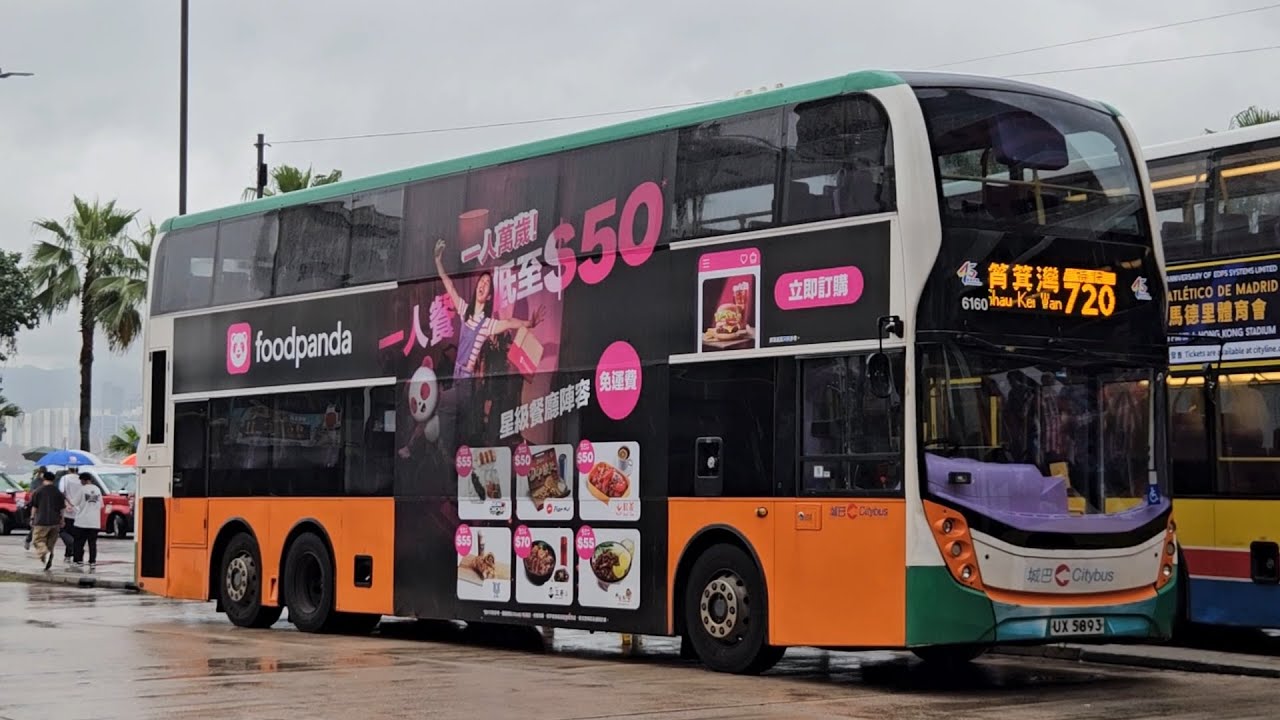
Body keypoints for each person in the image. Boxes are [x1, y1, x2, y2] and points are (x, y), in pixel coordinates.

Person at [27, 471, 64, 571]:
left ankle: (45, 554)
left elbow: (34, 506)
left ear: (44, 479)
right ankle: (47, 560)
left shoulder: (38, 491)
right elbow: (62, 508)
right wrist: (62, 520)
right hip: (55, 521)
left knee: (37, 540)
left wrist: (32, 518)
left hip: (41, 520)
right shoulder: (58, 492)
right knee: (50, 544)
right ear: (53, 479)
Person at [72, 474, 103, 569]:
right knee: (92, 543)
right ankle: (92, 561)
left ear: (84, 480)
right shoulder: (97, 489)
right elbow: (101, 505)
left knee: (79, 542)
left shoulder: (82, 489)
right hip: (94, 522)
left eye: (81, 480)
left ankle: (78, 560)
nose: (80, 482)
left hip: (82, 521)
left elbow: (74, 502)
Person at [58, 468, 83, 564]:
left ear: (68, 469)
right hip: (79, 510)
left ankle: (72, 549)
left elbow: (61, 493)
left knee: (63, 531)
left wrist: (66, 504)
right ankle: (68, 555)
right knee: (74, 533)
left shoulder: (65, 478)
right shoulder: (81, 480)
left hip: (67, 510)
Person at [23, 465, 47, 551]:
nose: (43, 475)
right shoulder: (35, 482)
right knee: (36, 525)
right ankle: (28, 539)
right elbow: (32, 492)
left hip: (46, 505)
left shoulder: (47, 481)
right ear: (39, 473)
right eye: (42, 473)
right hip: (37, 505)